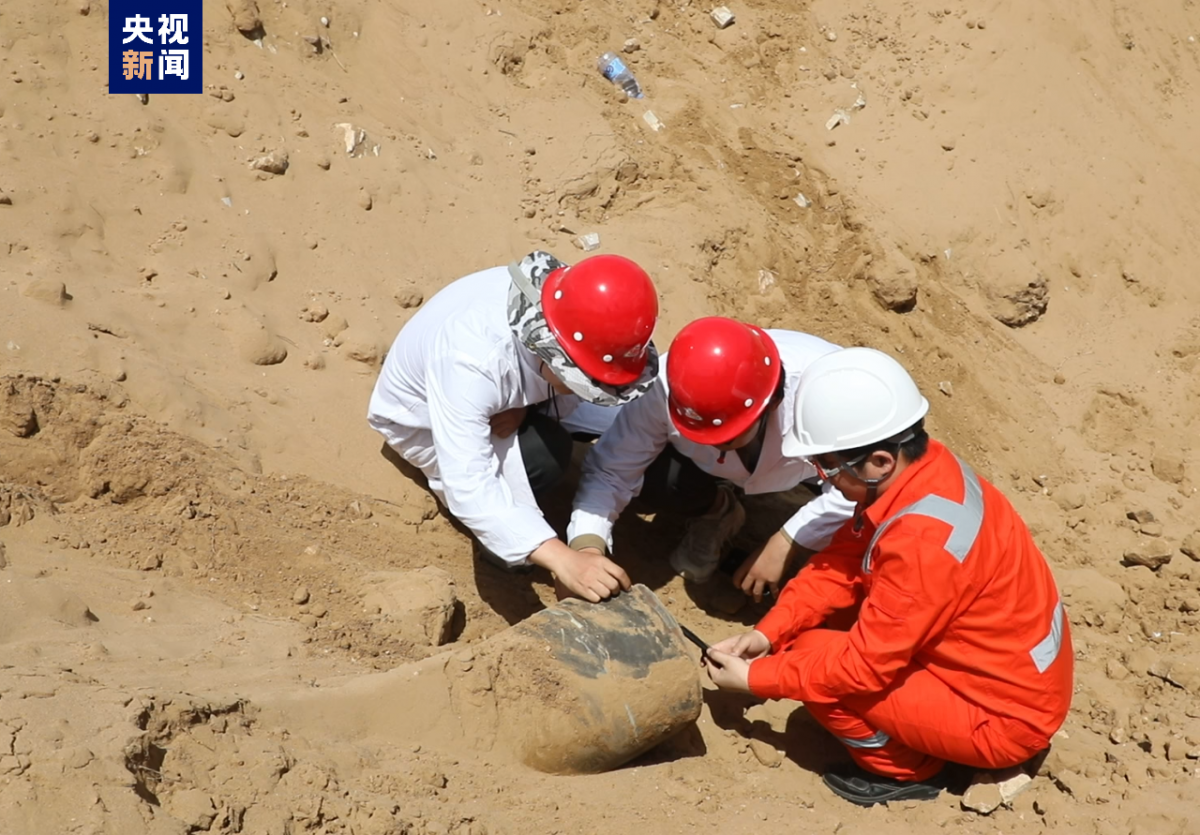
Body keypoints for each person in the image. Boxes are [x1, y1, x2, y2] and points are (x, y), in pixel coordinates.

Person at [703, 347, 1073, 807]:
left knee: (815, 662)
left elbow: (859, 670)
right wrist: (768, 633)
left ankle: (907, 771)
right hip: (1008, 675)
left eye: (828, 466)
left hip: (1004, 717)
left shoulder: (921, 542)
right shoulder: (925, 472)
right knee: (810, 638)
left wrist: (757, 678)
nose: (824, 477)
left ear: (878, 460)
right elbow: (840, 562)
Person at [367, 250, 660, 603]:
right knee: (545, 455)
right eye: (586, 382)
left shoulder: (573, 308)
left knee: (602, 424)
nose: (594, 391)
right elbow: (470, 483)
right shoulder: (471, 362)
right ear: (554, 354)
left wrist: (523, 406)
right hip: (420, 418)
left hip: (499, 397)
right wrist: (562, 559)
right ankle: (503, 551)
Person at [568, 317, 855, 597]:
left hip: (814, 469)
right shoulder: (666, 386)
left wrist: (788, 539)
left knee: (858, 535)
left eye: (728, 437)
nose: (717, 447)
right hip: (703, 468)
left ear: (773, 402)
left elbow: (872, 483)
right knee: (658, 478)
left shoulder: (830, 393)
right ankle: (719, 510)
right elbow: (612, 469)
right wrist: (586, 547)